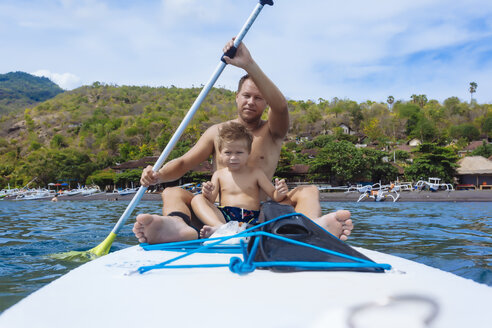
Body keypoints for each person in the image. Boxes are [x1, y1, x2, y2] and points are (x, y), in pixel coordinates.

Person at [133, 38, 353, 244]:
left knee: (309, 191)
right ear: (236, 97)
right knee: (172, 192)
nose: (251, 102)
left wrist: (249, 65)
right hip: (221, 214)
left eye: (258, 98)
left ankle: (308, 229)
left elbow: (281, 107)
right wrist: (158, 175)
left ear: (265, 102)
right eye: (246, 96)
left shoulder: (273, 130)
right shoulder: (216, 132)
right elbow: (183, 164)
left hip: (265, 212)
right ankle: (176, 226)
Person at [191, 121, 289, 238]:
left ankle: (249, 232)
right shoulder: (218, 175)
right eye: (228, 152)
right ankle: (220, 228)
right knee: (197, 199)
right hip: (225, 216)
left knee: (267, 209)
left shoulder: (256, 173)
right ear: (220, 154)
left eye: (239, 152)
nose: (233, 157)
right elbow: (210, 200)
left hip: (252, 217)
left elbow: (274, 195)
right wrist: (207, 193)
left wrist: (280, 191)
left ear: (248, 153)